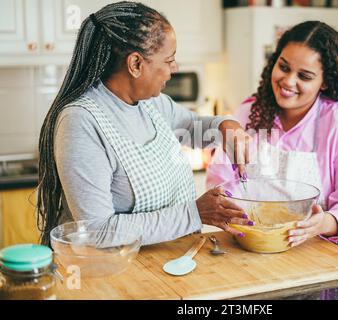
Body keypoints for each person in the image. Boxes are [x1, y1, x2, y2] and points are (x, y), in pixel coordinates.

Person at [36, 1, 253, 246]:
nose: (174, 68)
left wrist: (226, 126)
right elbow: (96, 230)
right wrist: (194, 213)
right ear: (136, 64)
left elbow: (191, 127)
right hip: (111, 272)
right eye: (168, 60)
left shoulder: (151, 103)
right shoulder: (81, 121)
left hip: (166, 259)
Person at [206, 21, 338, 246]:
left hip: (314, 254)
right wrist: (229, 208)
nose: (288, 81)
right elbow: (220, 179)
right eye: (284, 67)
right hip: (247, 246)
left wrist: (326, 222)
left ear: (325, 82)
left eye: (305, 76)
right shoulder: (248, 112)